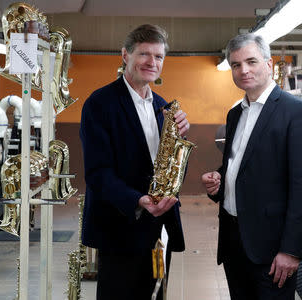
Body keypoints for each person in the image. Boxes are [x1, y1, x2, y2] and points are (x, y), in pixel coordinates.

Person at [201, 33, 302, 300]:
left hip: (272, 248)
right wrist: (218, 180)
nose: (244, 70)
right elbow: (239, 166)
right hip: (233, 241)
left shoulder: (296, 112)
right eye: (236, 65)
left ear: (268, 64)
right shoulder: (235, 114)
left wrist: (291, 249)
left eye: (251, 61)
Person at [80, 24, 189, 300]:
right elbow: (97, 174)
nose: (152, 62)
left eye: (159, 56)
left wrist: (179, 142)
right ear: (125, 55)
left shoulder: (163, 106)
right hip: (120, 228)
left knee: (155, 295)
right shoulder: (100, 103)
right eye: (144, 54)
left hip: (158, 229)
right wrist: (138, 200)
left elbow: (170, 170)